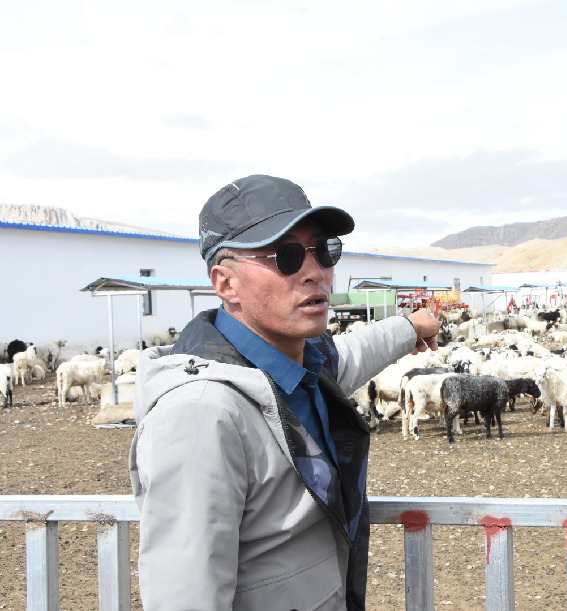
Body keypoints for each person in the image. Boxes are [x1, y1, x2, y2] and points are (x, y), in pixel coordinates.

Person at [128, 174, 440, 610]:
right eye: (286, 257)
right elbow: (185, 596)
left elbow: (352, 353)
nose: (316, 272)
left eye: (324, 250)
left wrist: (411, 326)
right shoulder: (201, 414)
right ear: (226, 284)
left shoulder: (301, 369)